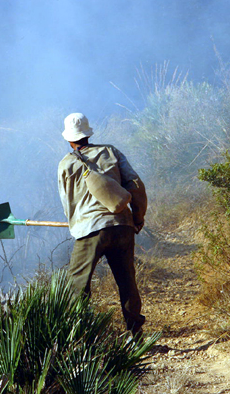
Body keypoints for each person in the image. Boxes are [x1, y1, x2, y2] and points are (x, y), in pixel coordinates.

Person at [57, 112, 148, 335]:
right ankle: (135, 336)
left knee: (78, 287)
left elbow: (67, 202)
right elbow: (135, 185)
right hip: (122, 224)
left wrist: (76, 225)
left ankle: (80, 338)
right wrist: (137, 218)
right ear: (88, 134)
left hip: (89, 230)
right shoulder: (110, 152)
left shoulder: (66, 164)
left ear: (69, 139)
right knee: (127, 281)